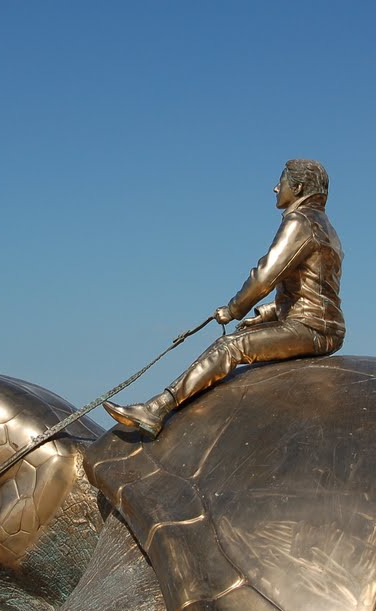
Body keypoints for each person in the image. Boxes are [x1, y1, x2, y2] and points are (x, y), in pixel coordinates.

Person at [103, 159, 345, 438]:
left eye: (283, 182)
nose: (275, 188)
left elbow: (265, 276)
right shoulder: (326, 227)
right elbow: (316, 290)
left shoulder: (299, 222)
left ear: (299, 187)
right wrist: (266, 313)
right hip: (322, 325)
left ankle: (158, 408)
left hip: (311, 328)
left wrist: (233, 309)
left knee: (230, 346)